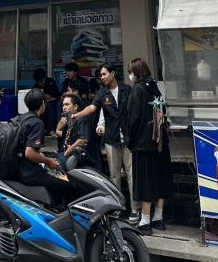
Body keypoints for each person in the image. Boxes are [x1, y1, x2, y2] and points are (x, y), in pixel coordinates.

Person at [72, 64, 140, 224]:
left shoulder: (127, 90)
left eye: (104, 74)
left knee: (132, 175)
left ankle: (135, 209)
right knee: (114, 175)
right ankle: (117, 207)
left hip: (129, 138)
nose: (102, 77)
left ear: (112, 73)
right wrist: (79, 115)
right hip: (112, 138)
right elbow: (92, 107)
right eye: (100, 75)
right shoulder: (102, 93)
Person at [127, 58, 173, 234]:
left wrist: (130, 140)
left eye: (131, 71)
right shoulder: (154, 87)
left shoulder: (137, 89)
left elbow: (134, 117)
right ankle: (158, 218)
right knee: (160, 179)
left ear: (136, 72)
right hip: (160, 142)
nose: (130, 75)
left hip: (143, 144)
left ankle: (145, 221)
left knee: (145, 181)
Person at [17, 88, 71, 206]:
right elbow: (29, 152)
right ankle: (59, 210)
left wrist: (42, 156)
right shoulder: (37, 122)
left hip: (17, 168)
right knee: (67, 185)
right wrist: (48, 161)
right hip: (28, 172)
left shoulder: (20, 118)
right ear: (42, 104)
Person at [56, 93, 91, 172]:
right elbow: (57, 131)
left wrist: (68, 151)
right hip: (64, 153)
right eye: (63, 105)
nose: (64, 107)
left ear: (75, 106)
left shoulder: (81, 119)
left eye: (67, 104)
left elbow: (83, 140)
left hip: (77, 156)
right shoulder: (68, 120)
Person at [33, 68, 60, 134]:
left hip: (52, 102)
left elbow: (54, 96)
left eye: (41, 81)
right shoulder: (36, 85)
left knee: (50, 106)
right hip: (42, 103)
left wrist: (47, 98)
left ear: (44, 78)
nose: (40, 83)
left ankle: (51, 129)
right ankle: (40, 128)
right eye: (38, 82)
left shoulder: (50, 82)